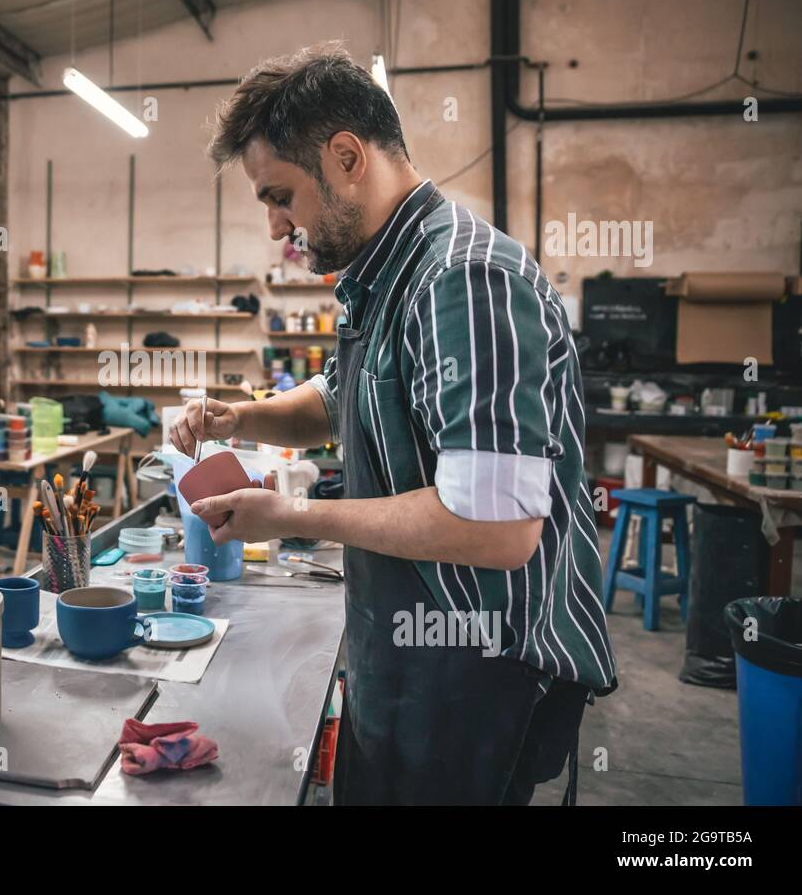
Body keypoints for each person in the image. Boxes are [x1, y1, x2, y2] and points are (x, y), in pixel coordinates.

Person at [172, 43, 617, 805]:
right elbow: (337, 398)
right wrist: (238, 416)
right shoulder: (384, 276)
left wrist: (290, 514)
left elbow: (496, 527)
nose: (278, 227)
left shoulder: (464, 281)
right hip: (408, 651)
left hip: (477, 670)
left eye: (280, 196)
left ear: (346, 157)